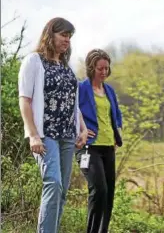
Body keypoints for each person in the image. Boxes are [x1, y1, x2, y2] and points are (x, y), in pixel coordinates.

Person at [18, 17, 88, 233]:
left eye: (69, 37)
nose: (67, 40)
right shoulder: (34, 61)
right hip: (45, 134)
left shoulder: (66, 68)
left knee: (62, 191)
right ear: (50, 34)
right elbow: (25, 100)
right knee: (53, 183)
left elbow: (72, 103)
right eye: (63, 35)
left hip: (68, 135)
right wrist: (33, 135)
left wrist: (83, 128)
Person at [76, 48, 123, 233]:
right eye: (100, 69)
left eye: (106, 68)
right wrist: (81, 131)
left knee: (109, 192)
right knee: (99, 190)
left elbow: (115, 115)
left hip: (108, 147)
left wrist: (117, 136)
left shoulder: (109, 90)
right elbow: (72, 113)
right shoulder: (81, 88)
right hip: (89, 148)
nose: (104, 72)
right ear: (91, 68)